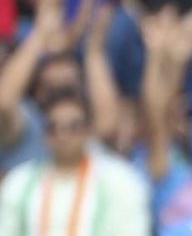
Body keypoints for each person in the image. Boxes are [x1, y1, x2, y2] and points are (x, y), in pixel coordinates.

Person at [0, 87, 150, 236]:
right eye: (53, 128)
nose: (63, 136)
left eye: (73, 127)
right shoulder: (19, 181)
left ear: (89, 131)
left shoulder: (120, 180)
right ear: (44, 134)